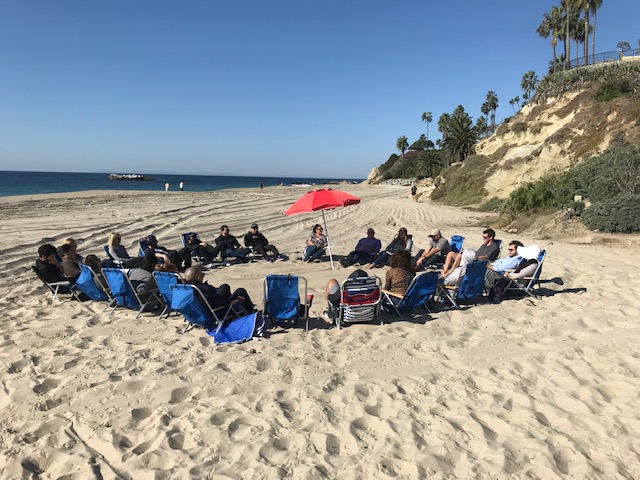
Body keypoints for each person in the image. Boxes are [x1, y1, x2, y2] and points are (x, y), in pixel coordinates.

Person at [183, 265, 254, 313]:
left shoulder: (185, 288)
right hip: (218, 312)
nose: (203, 276)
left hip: (198, 312)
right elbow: (220, 301)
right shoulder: (203, 289)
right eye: (202, 275)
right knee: (240, 291)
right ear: (198, 278)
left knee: (224, 287)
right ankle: (251, 311)